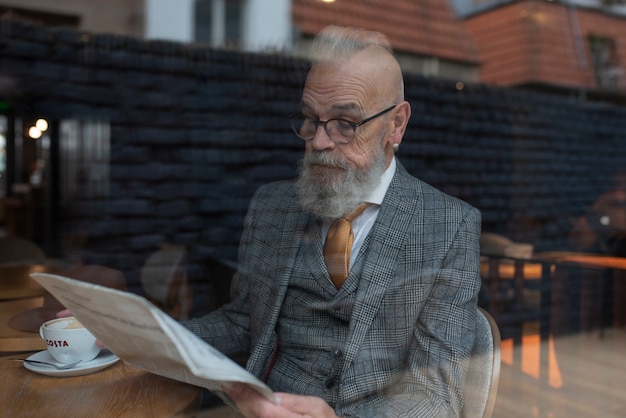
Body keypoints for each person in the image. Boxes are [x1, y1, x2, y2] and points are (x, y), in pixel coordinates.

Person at [183, 25, 482, 417]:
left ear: (396, 125)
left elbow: (436, 396)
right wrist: (139, 334)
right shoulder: (271, 206)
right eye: (310, 119)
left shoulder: (449, 227)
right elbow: (242, 322)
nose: (319, 142)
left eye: (345, 123)